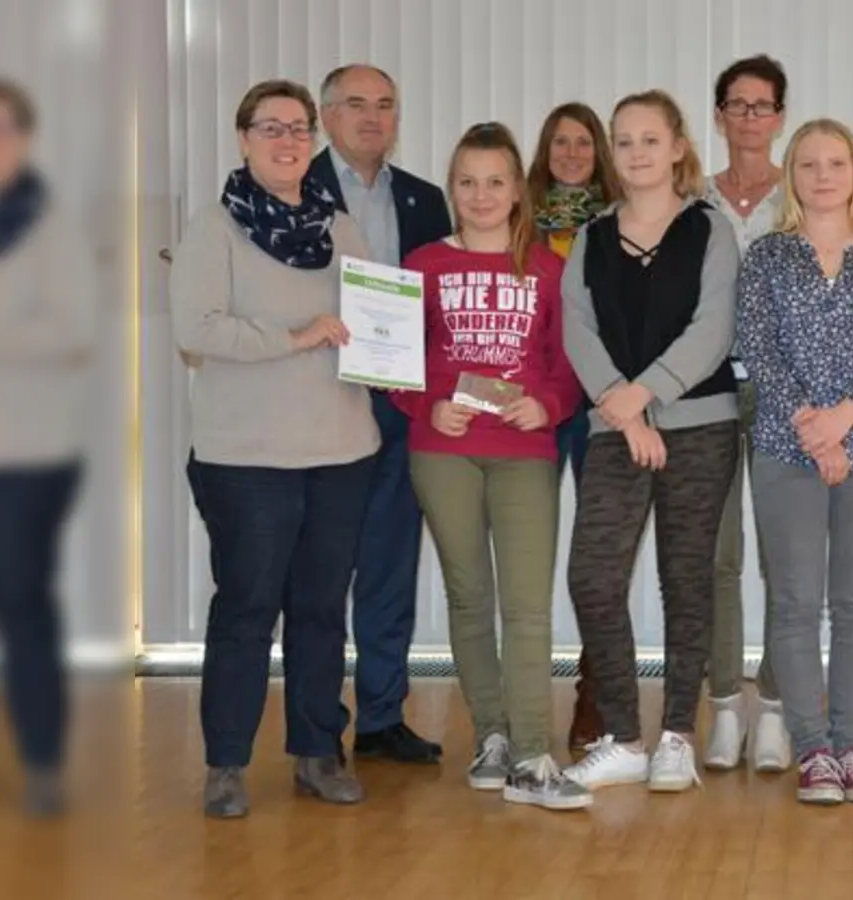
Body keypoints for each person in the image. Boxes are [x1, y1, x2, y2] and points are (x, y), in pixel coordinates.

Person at [171, 80, 378, 817]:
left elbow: (371, 322)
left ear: (315, 141)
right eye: (270, 127)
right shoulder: (212, 230)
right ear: (243, 139)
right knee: (247, 609)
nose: (287, 140)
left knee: (322, 609)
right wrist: (295, 337)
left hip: (342, 450)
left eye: (298, 128)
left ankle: (318, 754)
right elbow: (197, 331)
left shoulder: (341, 228)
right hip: (245, 459)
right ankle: (226, 763)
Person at [397, 123, 589, 810]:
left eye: (495, 182)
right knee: (470, 598)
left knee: (528, 607)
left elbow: (569, 365)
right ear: (453, 189)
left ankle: (535, 755)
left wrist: (549, 405)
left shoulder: (548, 268)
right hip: (443, 449)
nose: (481, 195)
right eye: (467, 182)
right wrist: (426, 403)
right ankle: (494, 738)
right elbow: (389, 360)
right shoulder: (421, 265)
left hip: (523, 454)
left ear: (518, 191)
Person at [559, 90, 741, 794]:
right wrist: (626, 413)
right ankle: (625, 737)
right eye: (623, 140)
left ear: (676, 148)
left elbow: (713, 328)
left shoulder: (710, 229)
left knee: (687, 581)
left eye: (649, 139)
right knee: (593, 579)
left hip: (700, 425)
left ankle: (675, 738)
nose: (635, 152)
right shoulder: (592, 237)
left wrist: (647, 393)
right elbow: (579, 329)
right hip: (614, 430)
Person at [737, 118, 853, 806]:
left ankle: (852, 745)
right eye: (808, 164)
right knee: (794, 603)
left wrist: (845, 419)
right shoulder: (767, 257)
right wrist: (814, 429)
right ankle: (813, 751)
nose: (822, 175)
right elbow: (759, 348)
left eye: (835, 162)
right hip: (787, 448)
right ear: (792, 175)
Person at [0, 79, 95, 818]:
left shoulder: (49, 225)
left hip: (23, 456)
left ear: (25, 138)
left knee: (20, 603)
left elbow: (72, 333)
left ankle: (41, 761)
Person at [308, 63, 451, 765]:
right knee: (321, 574)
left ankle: (381, 716)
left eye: (386, 105)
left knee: (390, 568)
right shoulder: (285, 193)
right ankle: (316, 725)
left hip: (399, 409)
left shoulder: (426, 201)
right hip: (315, 408)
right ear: (326, 116)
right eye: (356, 104)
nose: (373, 117)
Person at [702, 53, 793, 773]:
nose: (750, 118)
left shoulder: (802, 199)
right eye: (737, 104)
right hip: (704, 394)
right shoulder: (692, 201)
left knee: (783, 555)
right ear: (720, 115)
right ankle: (726, 706)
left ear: (780, 117)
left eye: (762, 106)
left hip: (783, 392)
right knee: (717, 556)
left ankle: (777, 708)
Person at [524, 101, 621, 752]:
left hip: (600, 402)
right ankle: (523, 698)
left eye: (583, 142)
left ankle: (596, 692)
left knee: (597, 556)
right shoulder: (515, 220)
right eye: (560, 142)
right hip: (530, 400)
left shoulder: (620, 223)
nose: (570, 153)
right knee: (529, 552)